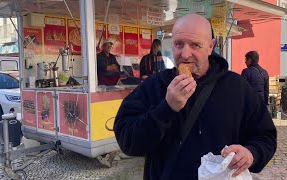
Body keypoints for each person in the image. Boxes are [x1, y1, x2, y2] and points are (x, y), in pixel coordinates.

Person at [114, 14, 276, 179]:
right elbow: (127, 140)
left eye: (195, 45)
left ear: (211, 46)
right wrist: (166, 108)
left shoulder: (237, 87)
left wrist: (251, 153)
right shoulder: (155, 85)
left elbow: (266, 136)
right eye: (178, 44)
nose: (185, 54)